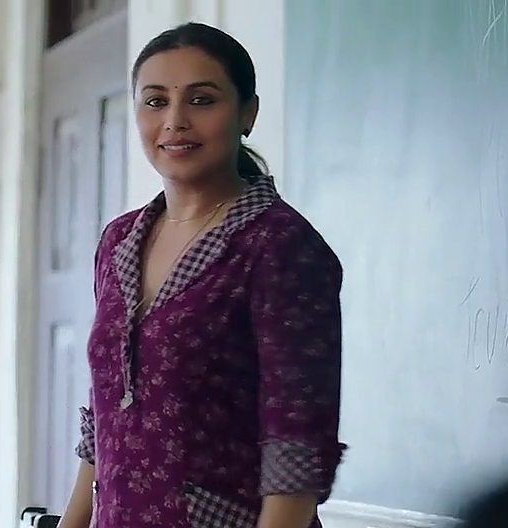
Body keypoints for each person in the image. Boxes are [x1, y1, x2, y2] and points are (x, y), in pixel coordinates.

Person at [56, 22, 346, 528]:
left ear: (247, 113)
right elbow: (104, 423)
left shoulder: (278, 245)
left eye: (201, 100)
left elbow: (297, 450)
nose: (175, 121)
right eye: (155, 102)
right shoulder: (119, 241)